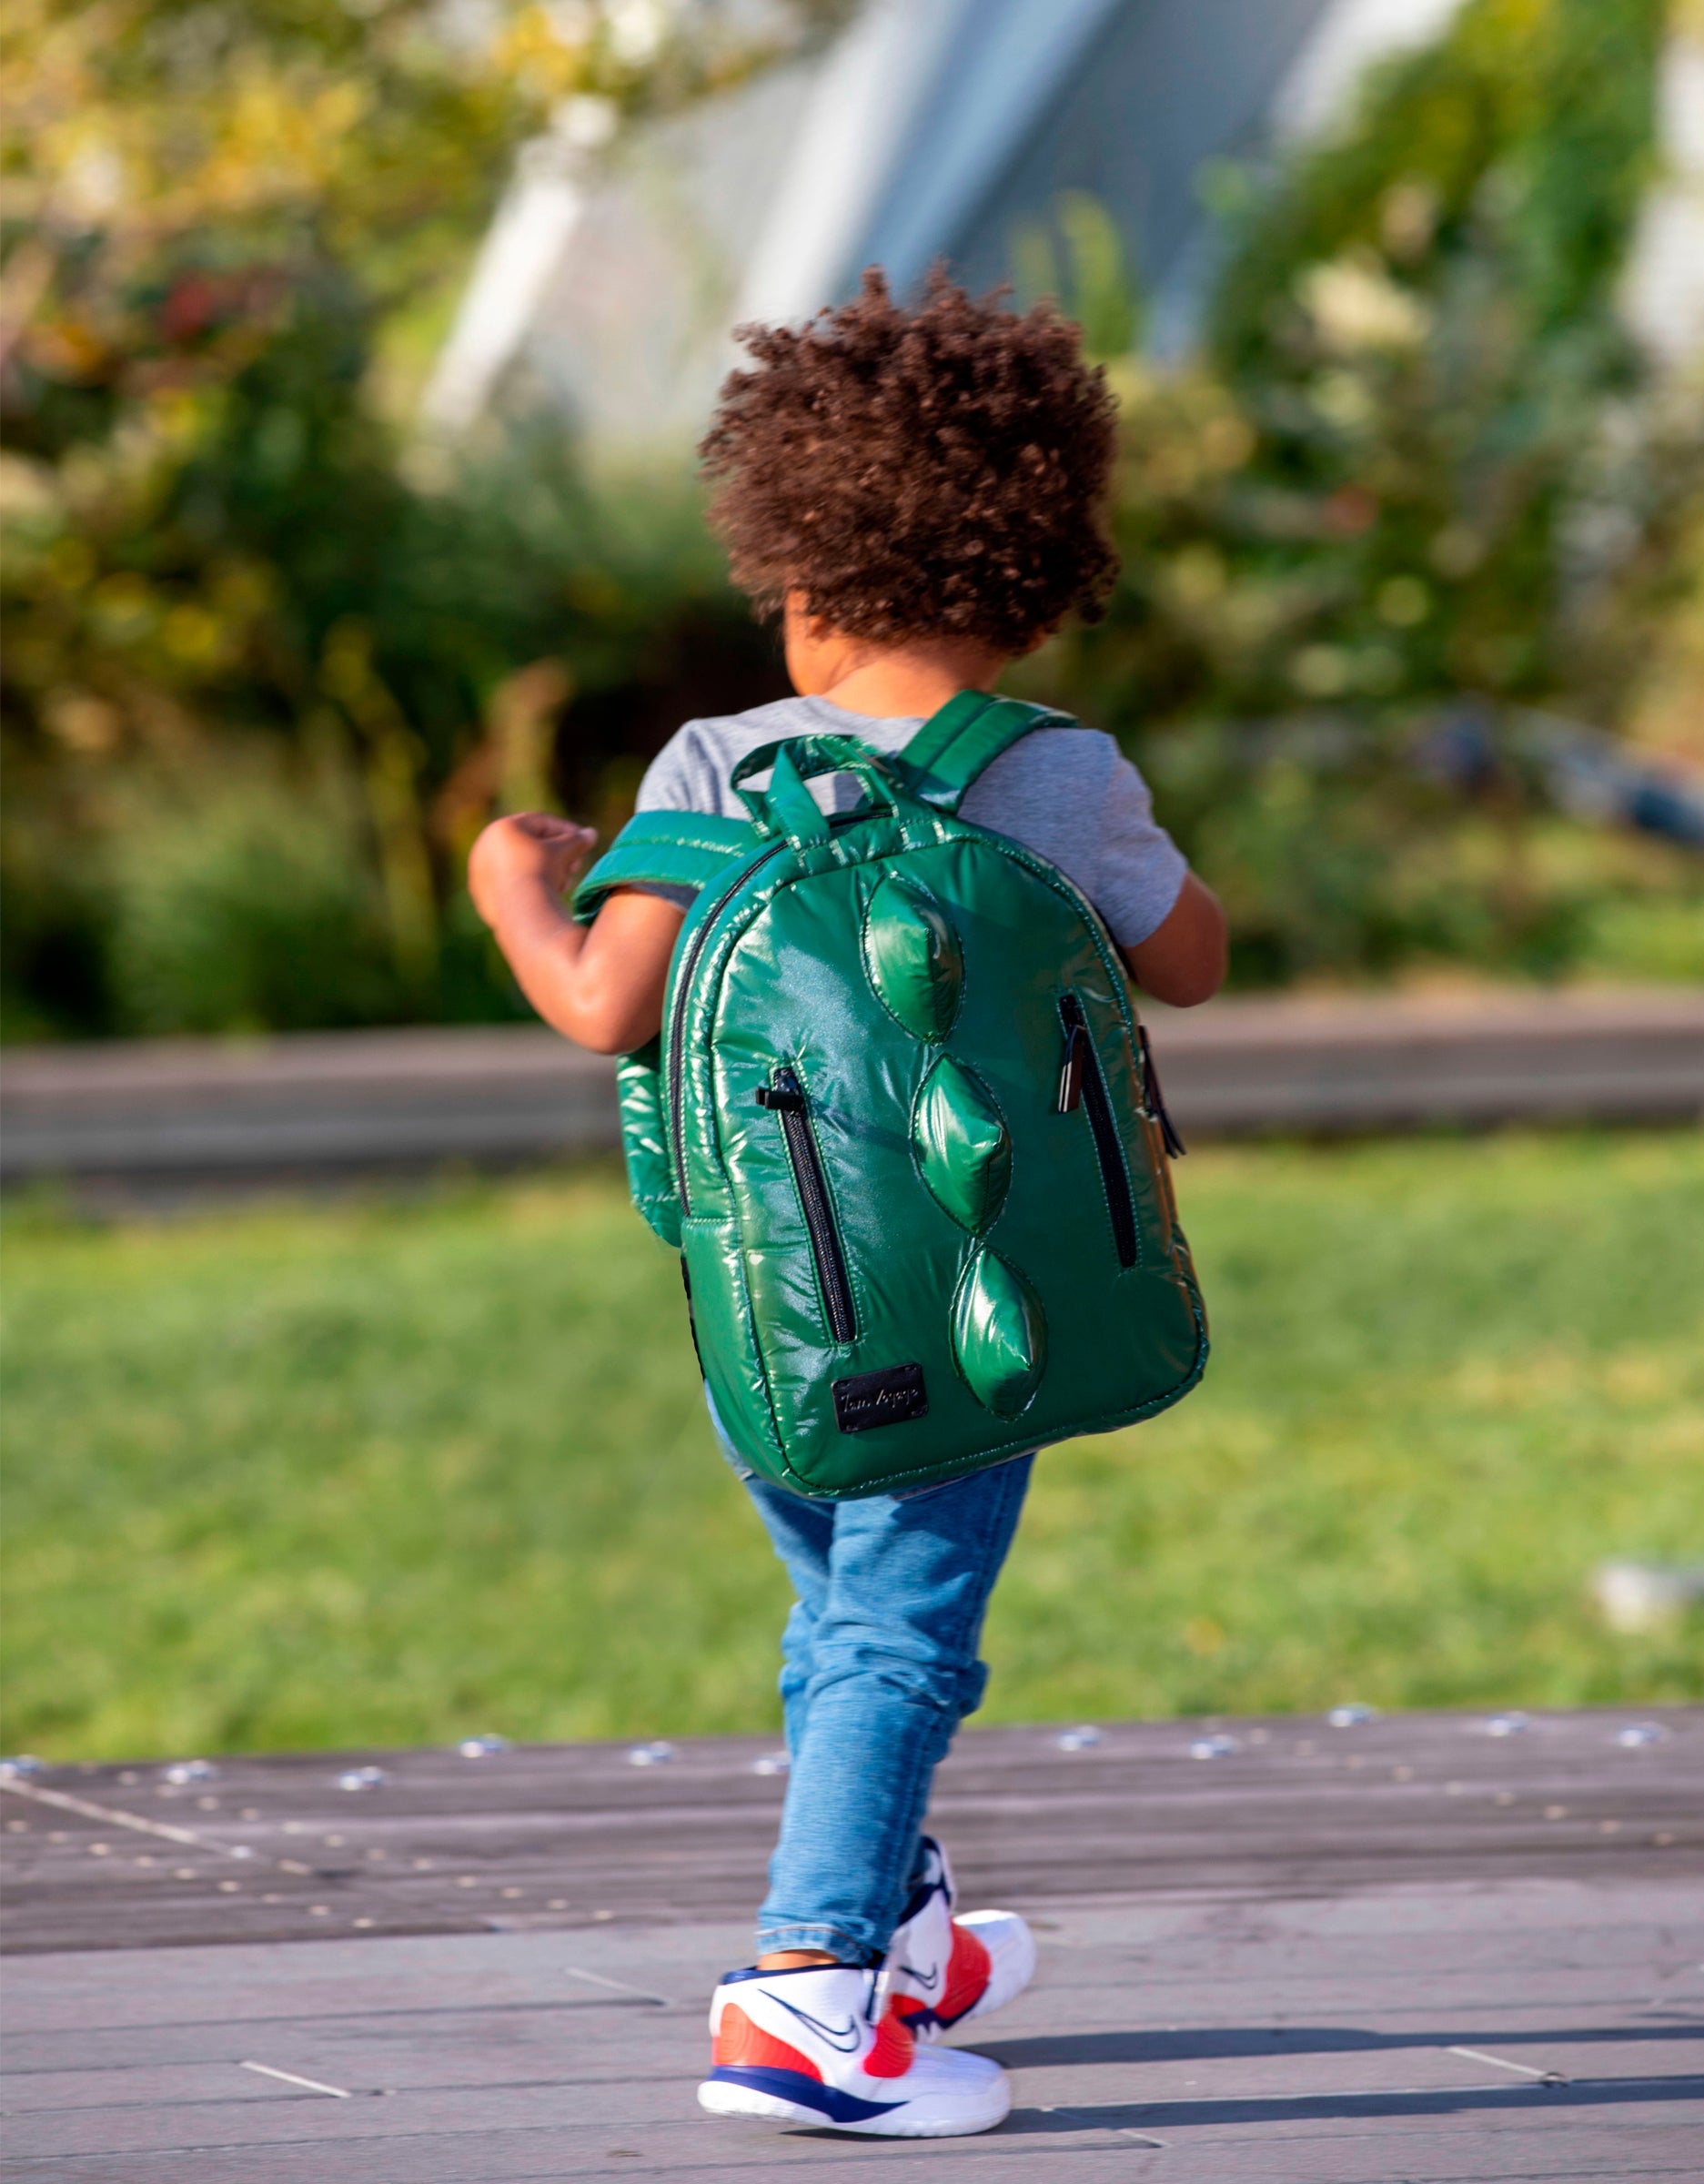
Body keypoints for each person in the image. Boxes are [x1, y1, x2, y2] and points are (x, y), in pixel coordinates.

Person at [469, 269, 1227, 2139]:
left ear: (799, 571)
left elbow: (605, 1006)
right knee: (898, 1632)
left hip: (765, 1311)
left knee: (847, 1618)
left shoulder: (713, 766)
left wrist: (511, 884)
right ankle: (807, 1995)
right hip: (980, 1302)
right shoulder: (1057, 770)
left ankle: (889, 1925)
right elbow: (1192, 961)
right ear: (1037, 574)